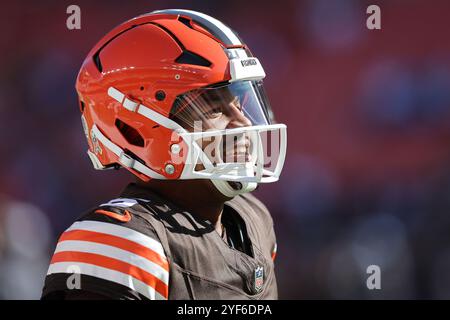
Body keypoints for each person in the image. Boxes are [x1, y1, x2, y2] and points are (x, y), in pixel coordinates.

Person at [41, 9, 287, 300]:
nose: (244, 123)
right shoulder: (120, 239)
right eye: (215, 108)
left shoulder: (254, 219)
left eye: (239, 102)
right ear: (135, 128)